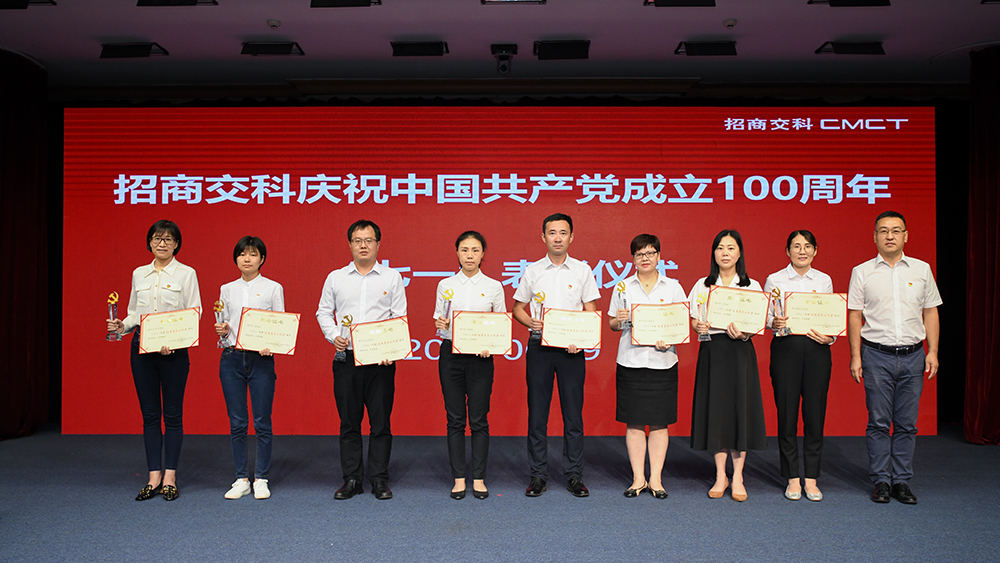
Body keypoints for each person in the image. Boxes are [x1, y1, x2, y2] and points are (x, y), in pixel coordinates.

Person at [848, 211, 941, 505]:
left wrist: (933, 351)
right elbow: (855, 315)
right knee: (878, 421)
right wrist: (855, 356)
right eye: (884, 231)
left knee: (906, 423)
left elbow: (930, 311)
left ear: (906, 236)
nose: (890, 236)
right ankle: (881, 481)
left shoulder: (922, 270)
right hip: (876, 355)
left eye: (896, 230)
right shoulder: (862, 271)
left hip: (914, 355)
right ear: (875, 236)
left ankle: (901, 480)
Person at [107, 219, 201, 502]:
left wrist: (175, 340)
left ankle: (170, 477)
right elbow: (133, 312)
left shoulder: (186, 273)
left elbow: (194, 312)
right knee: (149, 415)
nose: (162, 243)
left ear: (176, 244)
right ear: (149, 243)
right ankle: (153, 477)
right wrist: (122, 326)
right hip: (142, 349)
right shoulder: (139, 273)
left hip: (174, 352)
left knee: (172, 415)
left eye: (168, 239)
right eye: (157, 238)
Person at [317, 219, 407, 501]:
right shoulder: (336, 277)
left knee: (380, 423)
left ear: (378, 244)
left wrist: (390, 350)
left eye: (369, 240)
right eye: (358, 241)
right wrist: (334, 336)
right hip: (347, 358)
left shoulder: (392, 277)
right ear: (350, 245)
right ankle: (352, 479)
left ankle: (379, 479)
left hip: (380, 362)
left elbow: (398, 317)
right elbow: (323, 312)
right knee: (349, 422)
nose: (363, 245)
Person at [512, 213, 601, 498]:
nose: (558, 238)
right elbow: (517, 308)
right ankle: (538, 475)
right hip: (539, 347)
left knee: (573, 415)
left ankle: (574, 475)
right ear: (543, 237)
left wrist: (582, 339)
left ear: (571, 237)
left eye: (563, 233)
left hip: (571, 351)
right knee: (537, 414)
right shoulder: (533, 271)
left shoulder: (583, 271)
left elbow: (590, 311)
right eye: (552, 233)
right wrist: (531, 322)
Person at [688, 229, 766, 502]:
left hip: (740, 352)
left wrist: (745, 333)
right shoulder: (703, 285)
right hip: (713, 352)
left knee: (739, 411)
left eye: (731, 248)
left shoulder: (752, 286)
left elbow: (757, 322)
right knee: (717, 413)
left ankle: (739, 476)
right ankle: (720, 475)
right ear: (714, 253)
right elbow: (694, 319)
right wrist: (698, 326)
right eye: (720, 248)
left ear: (739, 253)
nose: (725, 253)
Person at [608, 234, 687, 499]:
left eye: (650, 253)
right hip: (631, 361)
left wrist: (671, 339)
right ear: (633, 258)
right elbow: (612, 324)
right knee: (634, 423)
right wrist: (619, 320)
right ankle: (638, 478)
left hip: (663, 362)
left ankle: (656, 479)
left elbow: (681, 324)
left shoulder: (673, 287)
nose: (645, 258)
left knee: (659, 423)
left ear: (659, 256)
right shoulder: (622, 287)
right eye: (640, 254)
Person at [433, 231, 506, 500]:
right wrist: (440, 324)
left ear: (483, 253)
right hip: (451, 356)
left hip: (481, 359)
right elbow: (440, 320)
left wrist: (491, 345)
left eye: (475, 250)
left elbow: (500, 325)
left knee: (479, 420)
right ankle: (458, 478)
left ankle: (479, 477)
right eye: (464, 250)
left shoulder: (494, 286)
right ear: (457, 253)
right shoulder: (445, 284)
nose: (470, 255)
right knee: (455, 419)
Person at [762, 230, 835, 502]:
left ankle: (812, 478)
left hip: (817, 350)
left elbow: (829, 316)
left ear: (815, 250)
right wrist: (773, 322)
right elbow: (766, 315)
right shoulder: (775, 279)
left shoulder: (824, 280)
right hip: (786, 350)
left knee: (815, 415)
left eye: (807, 246)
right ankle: (792, 477)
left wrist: (830, 336)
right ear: (787, 251)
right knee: (787, 414)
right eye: (796, 246)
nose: (802, 251)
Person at [214, 236, 284, 501]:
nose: (247, 259)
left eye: (253, 254)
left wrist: (270, 344)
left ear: (262, 259)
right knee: (237, 422)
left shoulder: (273, 288)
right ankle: (241, 478)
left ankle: (261, 478)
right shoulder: (227, 289)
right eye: (242, 254)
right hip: (232, 357)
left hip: (260, 360)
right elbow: (224, 323)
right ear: (236, 258)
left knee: (262, 421)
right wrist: (223, 329)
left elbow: (279, 324)